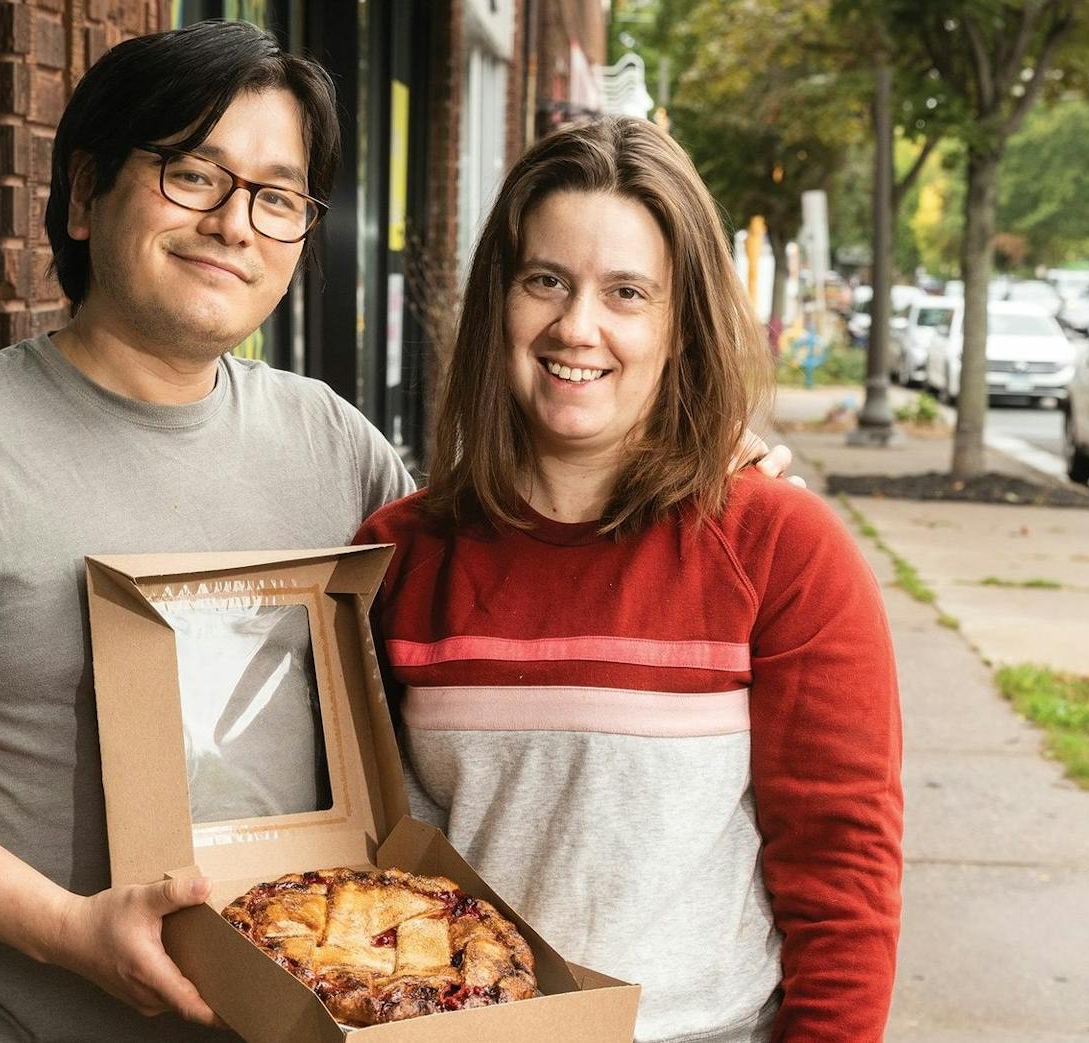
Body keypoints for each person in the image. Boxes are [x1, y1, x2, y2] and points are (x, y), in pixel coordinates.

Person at [0, 21, 797, 1042]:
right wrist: (69, 930)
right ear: (84, 194)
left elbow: (510, 559)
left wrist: (693, 454)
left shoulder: (327, 442)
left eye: (275, 195)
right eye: (192, 174)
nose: (234, 224)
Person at [355, 117, 903, 1042]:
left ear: (681, 323)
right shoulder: (401, 558)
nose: (578, 326)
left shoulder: (781, 548)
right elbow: (364, 856)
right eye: (546, 281)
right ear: (501, 300)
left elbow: (842, 872)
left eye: (628, 292)